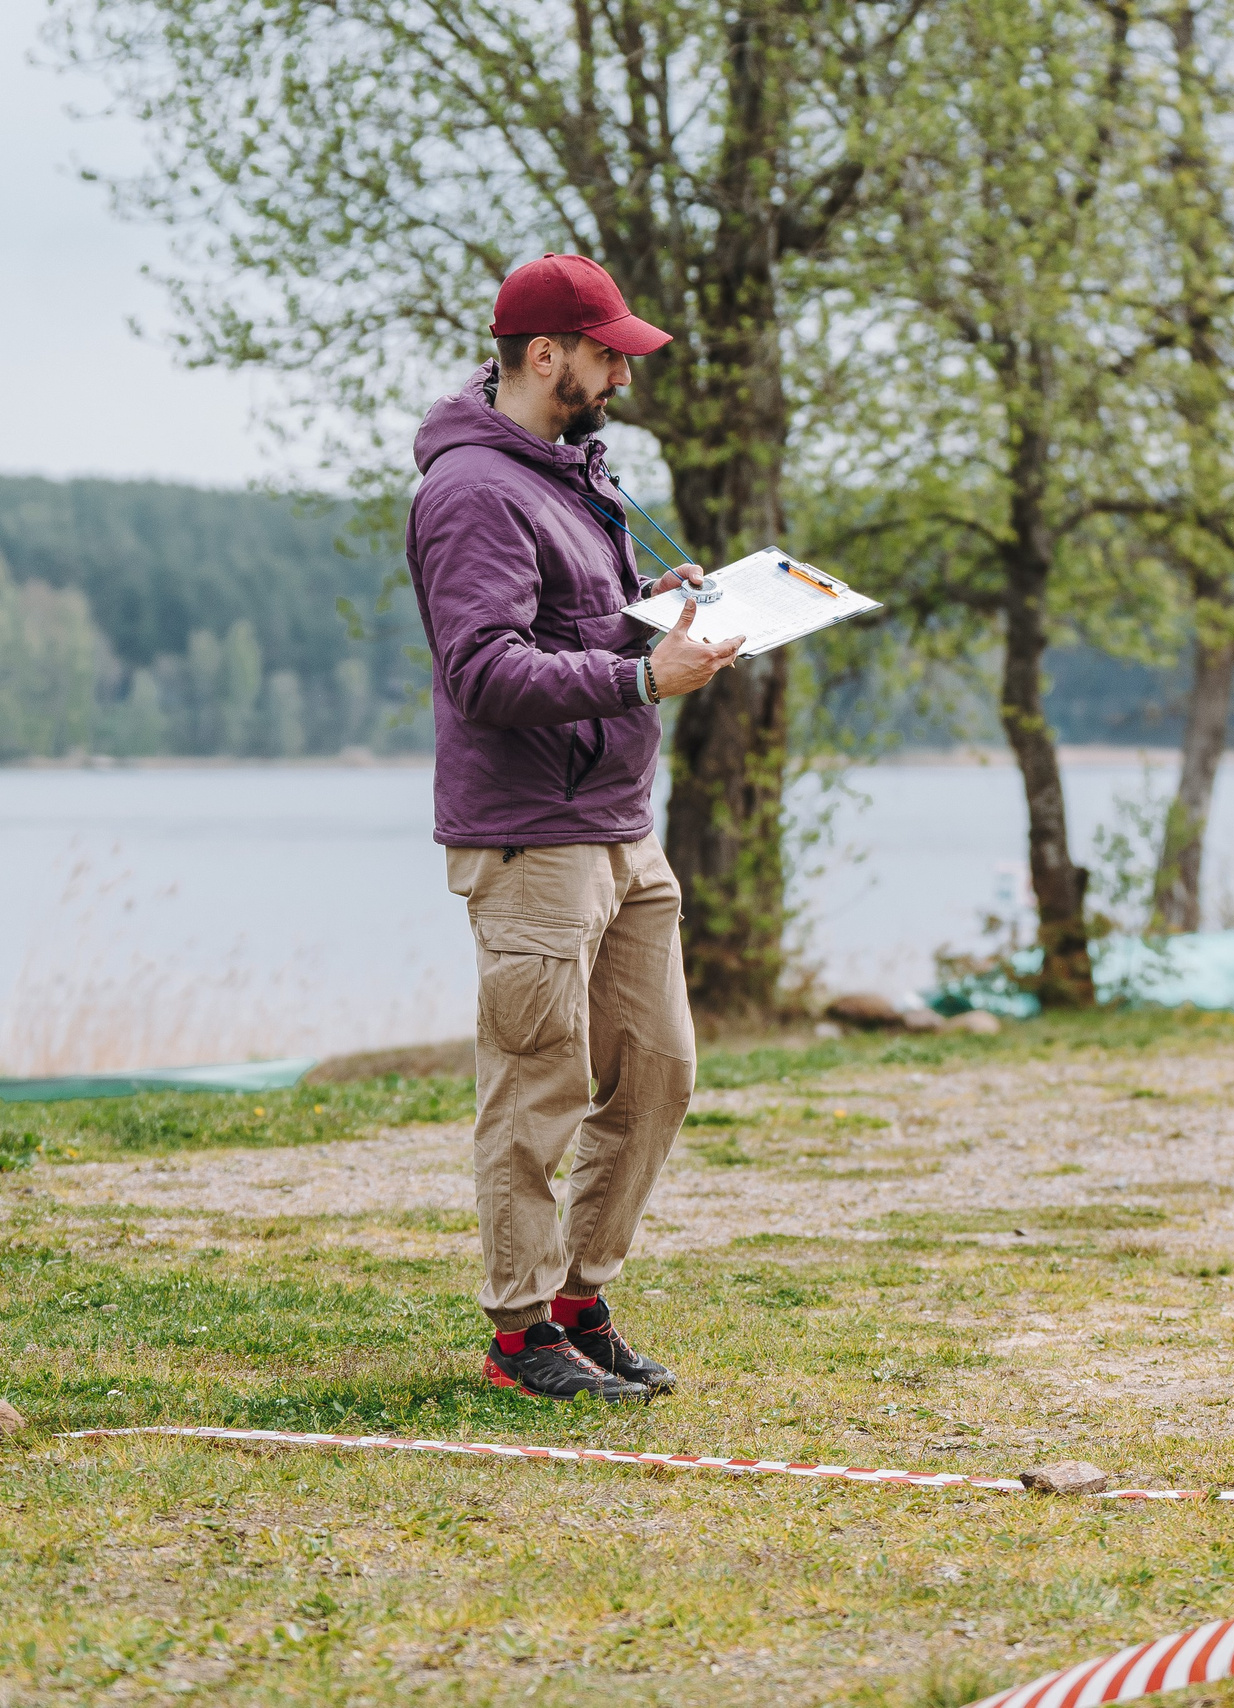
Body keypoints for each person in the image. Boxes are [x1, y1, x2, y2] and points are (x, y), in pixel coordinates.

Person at [408, 253, 743, 1401]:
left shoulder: (567, 473)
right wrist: (646, 677)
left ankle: (577, 1300)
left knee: (656, 1070)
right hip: (531, 832)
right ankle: (517, 1337)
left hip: (615, 823)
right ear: (543, 354)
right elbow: (487, 671)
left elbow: (570, 627)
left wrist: (654, 607)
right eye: (606, 355)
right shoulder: (472, 491)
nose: (621, 376)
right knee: (538, 1084)